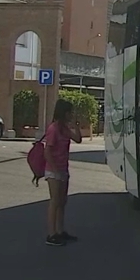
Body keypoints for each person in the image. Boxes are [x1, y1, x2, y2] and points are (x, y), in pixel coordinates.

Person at [44, 98, 82, 246]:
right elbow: (47, 151)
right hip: (54, 171)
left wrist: (76, 126)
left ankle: (60, 231)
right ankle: (51, 234)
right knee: (54, 201)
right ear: (63, 113)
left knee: (62, 202)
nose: (71, 114)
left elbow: (78, 139)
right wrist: (54, 169)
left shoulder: (64, 128)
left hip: (62, 169)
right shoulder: (53, 129)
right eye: (69, 112)